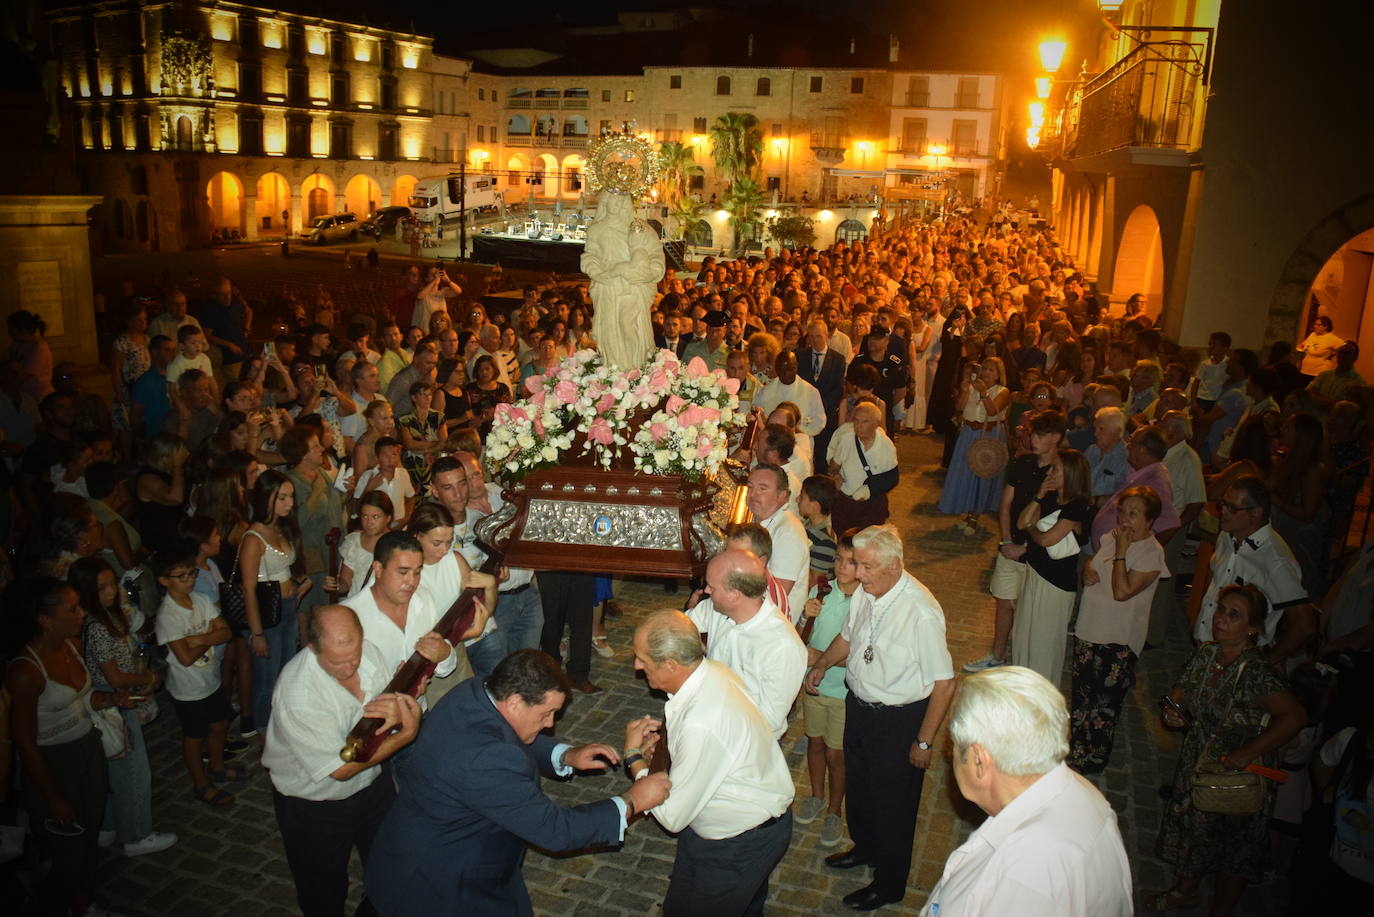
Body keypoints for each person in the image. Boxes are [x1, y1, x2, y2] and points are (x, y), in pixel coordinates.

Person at [365, 649, 671, 915]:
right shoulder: (487, 761)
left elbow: (505, 732)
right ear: (514, 701)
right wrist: (633, 801)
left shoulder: (477, 690)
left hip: (422, 850)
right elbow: (556, 830)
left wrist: (566, 755)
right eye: (547, 713)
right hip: (442, 888)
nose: (551, 723)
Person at [805, 524, 956, 911]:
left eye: (867, 567)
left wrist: (923, 741)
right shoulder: (867, 593)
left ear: (895, 566)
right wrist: (821, 666)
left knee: (894, 804)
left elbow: (945, 683)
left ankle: (889, 884)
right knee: (861, 787)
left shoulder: (920, 611)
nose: (859, 573)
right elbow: (848, 637)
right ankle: (866, 847)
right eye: (857, 564)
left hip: (899, 719)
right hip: (860, 706)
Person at [921, 667, 1132, 917]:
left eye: (954, 745)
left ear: (979, 760)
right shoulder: (1078, 791)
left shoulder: (1025, 880)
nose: (951, 753)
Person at [1151, 585, 1308, 914]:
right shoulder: (1207, 653)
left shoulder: (1257, 673)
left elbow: (1294, 716)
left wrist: (1248, 751)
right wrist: (1174, 709)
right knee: (1195, 831)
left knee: (1234, 847)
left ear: (1253, 628)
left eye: (1233, 615)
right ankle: (1185, 890)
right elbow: (1182, 689)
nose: (1220, 619)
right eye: (1220, 610)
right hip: (1200, 760)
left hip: (1237, 772)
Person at [625, 611, 795, 916]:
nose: (636, 666)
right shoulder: (713, 671)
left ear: (671, 665)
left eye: (642, 660)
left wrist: (634, 759)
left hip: (739, 842)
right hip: (722, 824)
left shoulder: (702, 722)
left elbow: (672, 816)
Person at [262, 605, 422, 917]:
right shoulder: (299, 692)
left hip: (373, 782)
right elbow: (340, 769)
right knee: (322, 886)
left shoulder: (365, 652)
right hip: (314, 802)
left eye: (355, 655)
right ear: (311, 648)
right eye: (337, 662)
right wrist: (405, 735)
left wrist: (404, 700)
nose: (350, 667)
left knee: (388, 861)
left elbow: (384, 699)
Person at [5, 578, 136, 915]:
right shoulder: (25, 671)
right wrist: (52, 795)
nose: (81, 614)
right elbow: (24, 741)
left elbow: (83, 698)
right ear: (45, 620)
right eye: (72, 609)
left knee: (88, 831)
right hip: (54, 761)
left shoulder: (72, 645)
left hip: (87, 749)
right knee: (65, 843)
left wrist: (109, 698)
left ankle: (85, 900)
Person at [70, 556, 176, 856]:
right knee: (132, 770)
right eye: (101, 587)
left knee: (114, 768)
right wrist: (148, 676)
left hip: (116, 697)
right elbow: (114, 675)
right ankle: (136, 834)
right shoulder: (98, 626)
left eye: (111, 584)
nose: (110, 591)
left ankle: (109, 826)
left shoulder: (107, 617)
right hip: (116, 699)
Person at [1068, 486, 1168, 773]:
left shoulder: (1151, 554)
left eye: (1134, 514)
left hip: (1118, 641)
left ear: (1150, 520)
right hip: (1090, 629)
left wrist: (1123, 552)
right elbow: (1096, 562)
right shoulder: (1112, 538)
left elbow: (1122, 591)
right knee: (1081, 698)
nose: (1124, 520)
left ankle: (1092, 760)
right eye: (1122, 512)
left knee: (1103, 706)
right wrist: (1087, 567)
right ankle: (1076, 752)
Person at [964, 409, 1063, 674]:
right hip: (1010, 546)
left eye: (1040, 434)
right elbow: (1005, 505)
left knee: (1027, 610)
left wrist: (1025, 548)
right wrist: (1006, 541)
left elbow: (1055, 520)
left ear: (1055, 437)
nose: (1033, 439)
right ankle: (997, 655)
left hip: (1037, 551)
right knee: (1004, 601)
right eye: (1032, 433)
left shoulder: (1062, 472)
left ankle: (1020, 661)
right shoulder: (1023, 464)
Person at [1188, 476, 1314, 665]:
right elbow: (1214, 576)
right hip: (1207, 648)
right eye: (1223, 504)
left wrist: (1264, 664)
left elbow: (1305, 624)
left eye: (1232, 508)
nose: (1222, 511)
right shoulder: (1226, 535)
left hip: (1239, 660)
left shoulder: (1275, 560)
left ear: (1255, 514)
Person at [154, 543, 244, 806]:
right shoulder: (168, 615)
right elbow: (185, 657)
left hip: (211, 680)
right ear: (164, 581)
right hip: (188, 689)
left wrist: (196, 638)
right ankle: (200, 783)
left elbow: (226, 633)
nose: (189, 580)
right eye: (181, 576)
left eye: (191, 573)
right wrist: (209, 637)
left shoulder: (202, 600)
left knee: (219, 725)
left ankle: (216, 766)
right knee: (194, 737)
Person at [684, 548, 807, 740]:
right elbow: (683, 626)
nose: (706, 591)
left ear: (734, 594)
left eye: (711, 587)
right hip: (709, 726)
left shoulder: (783, 647)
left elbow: (768, 721)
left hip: (745, 746)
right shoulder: (717, 607)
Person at [796, 530, 859, 848]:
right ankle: (816, 796)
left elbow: (861, 658)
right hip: (814, 687)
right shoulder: (822, 592)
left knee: (837, 754)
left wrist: (818, 659)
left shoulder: (865, 603)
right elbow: (799, 637)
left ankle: (835, 809)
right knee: (815, 743)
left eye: (852, 561)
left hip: (844, 691)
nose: (843, 566)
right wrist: (804, 617)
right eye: (839, 559)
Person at [238, 470, 313, 736]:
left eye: (291, 497)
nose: (289, 503)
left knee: (286, 674)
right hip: (266, 616)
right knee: (267, 681)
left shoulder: (280, 529)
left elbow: (286, 570)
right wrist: (256, 633)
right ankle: (263, 731)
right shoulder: (253, 538)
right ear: (266, 498)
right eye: (282, 497)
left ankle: (281, 728)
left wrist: (299, 585)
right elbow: (248, 589)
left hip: (288, 608)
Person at [1010, 449, 1092, 687]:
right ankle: (1021, 688)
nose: (1050, 472)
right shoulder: (1049, 498)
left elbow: (1047, 540)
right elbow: (1021, 521)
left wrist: (1032, 530)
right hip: (1034, 573)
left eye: (1056, 468)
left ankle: (1040, 695)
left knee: (1044, 645)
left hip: (1055, 585)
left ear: (1071, 474)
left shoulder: (1077, 507)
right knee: (1023, 636)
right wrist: (1038, 495)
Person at [937, 357, 1011, 534]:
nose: (986, 372)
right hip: (969, 434)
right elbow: (960, 407)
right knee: (966, 474)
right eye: (984, 368)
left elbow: (993, 410)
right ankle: (967, 511)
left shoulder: (1003, 391)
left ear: (999, 374)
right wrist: (964, 390)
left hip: (988, 435)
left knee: (981, 476)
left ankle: (975, 516)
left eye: (991, 370)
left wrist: (984, 393)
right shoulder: (972, 387)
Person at [744, 464, 810, 625]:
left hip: (773, 624)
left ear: (783, 495)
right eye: (750, 487)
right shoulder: (758, 521)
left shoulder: (787, 532)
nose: (753, 495)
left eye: (763, 489)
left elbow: (777, 594)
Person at [826, 401, 899, 534]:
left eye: (864, 422)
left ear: (876, 424)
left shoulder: (886, 446)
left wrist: (870, 489)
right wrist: (835, 475)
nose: (858, 426)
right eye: (856, 420)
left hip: (872, 506)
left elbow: (892, 478)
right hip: (845, 503)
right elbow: (833, 466)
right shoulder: (846, 439)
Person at [338, 491, 393, 597]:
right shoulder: (353, 541)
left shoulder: (397, 545)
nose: (369, 522)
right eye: (364, 516)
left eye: (375, 517)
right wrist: (336, 585)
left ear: (388, 518)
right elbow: (345, 583)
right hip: (355, 605)